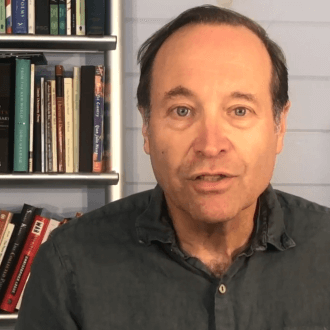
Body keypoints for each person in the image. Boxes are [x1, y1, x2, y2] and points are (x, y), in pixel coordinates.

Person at [16, 5, 330, 330]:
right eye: (182, 111)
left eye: (239, 110)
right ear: (147, 128)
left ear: (280, 126)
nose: (210, 145)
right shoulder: (68, 266)